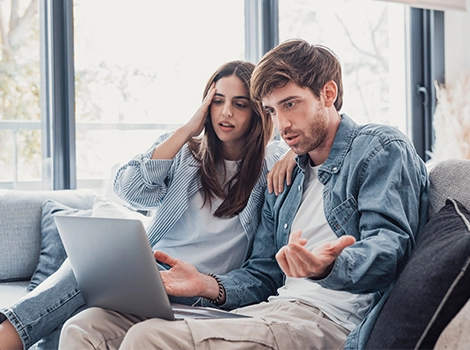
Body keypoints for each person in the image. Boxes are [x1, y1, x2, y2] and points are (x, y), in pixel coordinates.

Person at [59, 39, 430, 350]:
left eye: (291, 104)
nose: (282, 125)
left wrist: (330, 266)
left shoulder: (380, 148)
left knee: (148, 338)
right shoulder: (286, 176)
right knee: (85, 327)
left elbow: (392, 247)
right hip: (273, 309)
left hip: (328, 319)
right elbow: (265, 274)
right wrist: (207, 284)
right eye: (272, 110)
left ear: (328, 93)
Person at [0, 60, 293, 350]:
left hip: (200, 289)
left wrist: (294, 155)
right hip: (151, 280)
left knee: (99, 266)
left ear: (258, 111)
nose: (226, 112)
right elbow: (129, 189)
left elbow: (310, 142)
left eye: (240, 104)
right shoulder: (185, 154)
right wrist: (186, 130)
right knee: (80, 323)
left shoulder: (271, 165)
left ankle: (9, 334)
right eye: (217, 101)